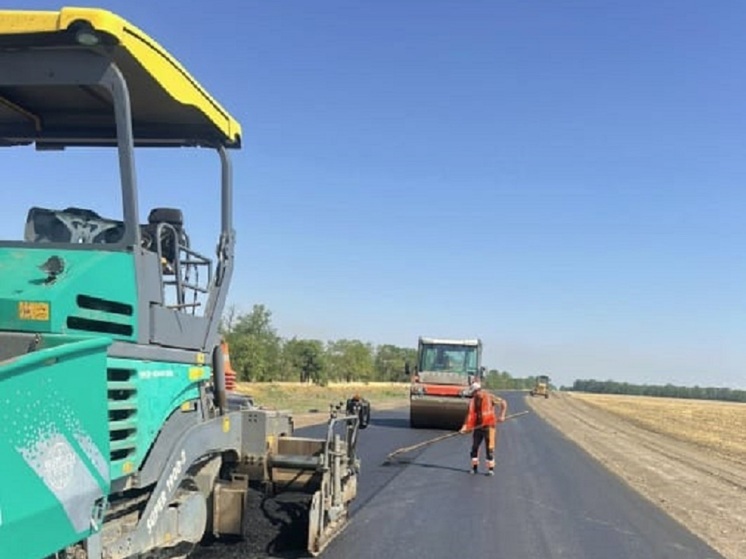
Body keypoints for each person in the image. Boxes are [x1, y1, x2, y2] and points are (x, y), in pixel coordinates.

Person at [459, 381, 507, 475]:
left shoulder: (490, 397)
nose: (473, 395)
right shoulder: (473, 401)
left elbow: (503, 403)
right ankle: (474, 467)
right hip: (478, 427)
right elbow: (469, 414)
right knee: (475, 447)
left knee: (489, 448)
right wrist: (464, 426)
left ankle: (490, 469)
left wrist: (502, 415)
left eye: (474, 392)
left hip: (489, 427)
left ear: (478, 391)